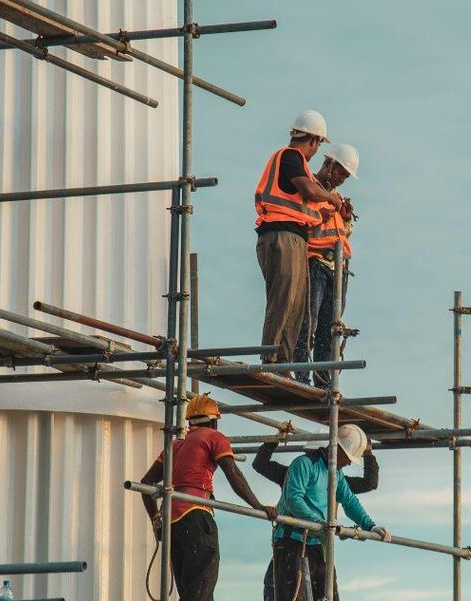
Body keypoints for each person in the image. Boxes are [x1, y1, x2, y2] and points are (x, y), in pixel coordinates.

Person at [139, 394, 277, 601]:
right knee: (202, 585)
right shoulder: (214, 437)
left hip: (172, 522)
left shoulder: (175, 445)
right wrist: (258, 505)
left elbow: (145, 484)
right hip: (196, 514)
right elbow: (234, 474)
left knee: (192, 591)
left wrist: (156, 520)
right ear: (214, 420)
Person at [254, 110, 344, 366]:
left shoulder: (297, 165)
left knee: (296, 306)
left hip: (293, 237)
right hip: (280, 234)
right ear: (314, 140)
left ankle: (283, 362)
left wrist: (331, 208)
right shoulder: (290, 156)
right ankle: (270, 360)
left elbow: (306, 205)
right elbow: (307, 189)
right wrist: (330, 197)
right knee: (283, 300)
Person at [271, 424, 391, 601]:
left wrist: (370, 525)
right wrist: (319, 523)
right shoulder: (304, 464)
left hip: (317, 543)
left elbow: (349, 501)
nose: (350, 462)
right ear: (337, 449)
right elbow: (293, 498)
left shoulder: (336, 474)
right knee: (295, 596)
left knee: (328, 597)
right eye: (349, 457)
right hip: (292, 543)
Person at [292, 144, 359, 387]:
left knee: (329, 330)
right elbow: (302, 222)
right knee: (307, 321)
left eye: (345, 176)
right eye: (340, 172)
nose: (342, 179)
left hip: (338, 268)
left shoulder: (336, 198)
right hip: (316, 263)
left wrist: (347, 219)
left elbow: (342, 233)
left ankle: (322, 382)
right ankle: (301, 376)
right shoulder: (309, 187)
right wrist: (327, 214)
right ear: (328, 163)